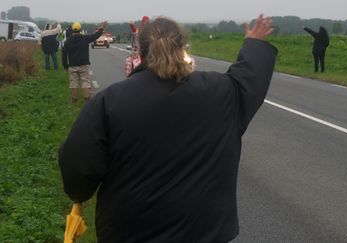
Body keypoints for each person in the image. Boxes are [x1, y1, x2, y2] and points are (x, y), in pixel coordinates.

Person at [58, 14, 277, 242]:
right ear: (182, 47)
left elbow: (78, 170)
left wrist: (79, 193)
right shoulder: (223, 92)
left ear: (140, 53)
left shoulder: (109, 103)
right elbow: (250, 77)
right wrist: (255, 44)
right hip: (206, 234)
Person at [62, 21, 107, 101]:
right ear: (80, 29)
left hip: (72, 65)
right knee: (85, 81)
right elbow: (95, 36)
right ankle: (86, 98)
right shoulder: (85, 38)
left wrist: (65, 66)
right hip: (84, 64)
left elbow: (64, 55)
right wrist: (101, 28)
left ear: (72, 30)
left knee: (73, 82)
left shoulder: (67, 41)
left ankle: (74, 99)